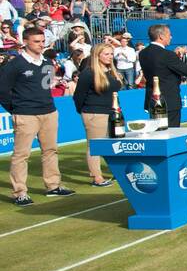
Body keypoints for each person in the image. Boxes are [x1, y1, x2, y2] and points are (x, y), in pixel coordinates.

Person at [0, 26, 75, 205]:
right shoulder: (15, 65)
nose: (41, 45)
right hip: (25, 114)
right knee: (21, 154)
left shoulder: (47, 63)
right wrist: (17, 109)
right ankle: (19, 192)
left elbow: (45, 88)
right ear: (25, 42)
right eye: (37, 42)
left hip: (49, 112)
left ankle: (53, 185)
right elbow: (2, 90)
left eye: (43, 41)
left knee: (50, 151)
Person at [72, 42, 122, 187]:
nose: (110, 57)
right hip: (94, 113)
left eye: (111, 54)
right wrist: (84, 111)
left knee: (112, 144)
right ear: (97, 55)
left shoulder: (110, 70)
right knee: (95, 146)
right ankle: (97, 177)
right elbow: (78, 96)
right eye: (106, 54)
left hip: (111, 112)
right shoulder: (89, 73)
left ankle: (114, 172)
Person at [138, 23, 187, 128]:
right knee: (171, 133)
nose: (171, 37)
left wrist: (175, 57)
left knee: (157, 133)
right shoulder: (167, 55)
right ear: (161, 36)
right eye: (169, 34)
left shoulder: (143, 53)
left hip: (152, 100)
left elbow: (161, 67)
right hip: (169, 102)